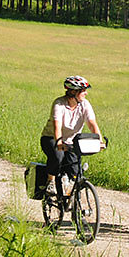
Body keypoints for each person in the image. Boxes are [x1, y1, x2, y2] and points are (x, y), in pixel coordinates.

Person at [40, 75, 101, 206]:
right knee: (58, 156)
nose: (86, 93)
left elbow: (92, 124)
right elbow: (57, 126)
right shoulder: (59, 104)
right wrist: (60, 143)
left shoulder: (85, 104)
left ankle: (71, 195)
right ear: (73, 92)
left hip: (72, 141)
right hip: (51, 138)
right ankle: (50, 182)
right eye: (83, 90)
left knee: (75, 170)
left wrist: (99, 140)